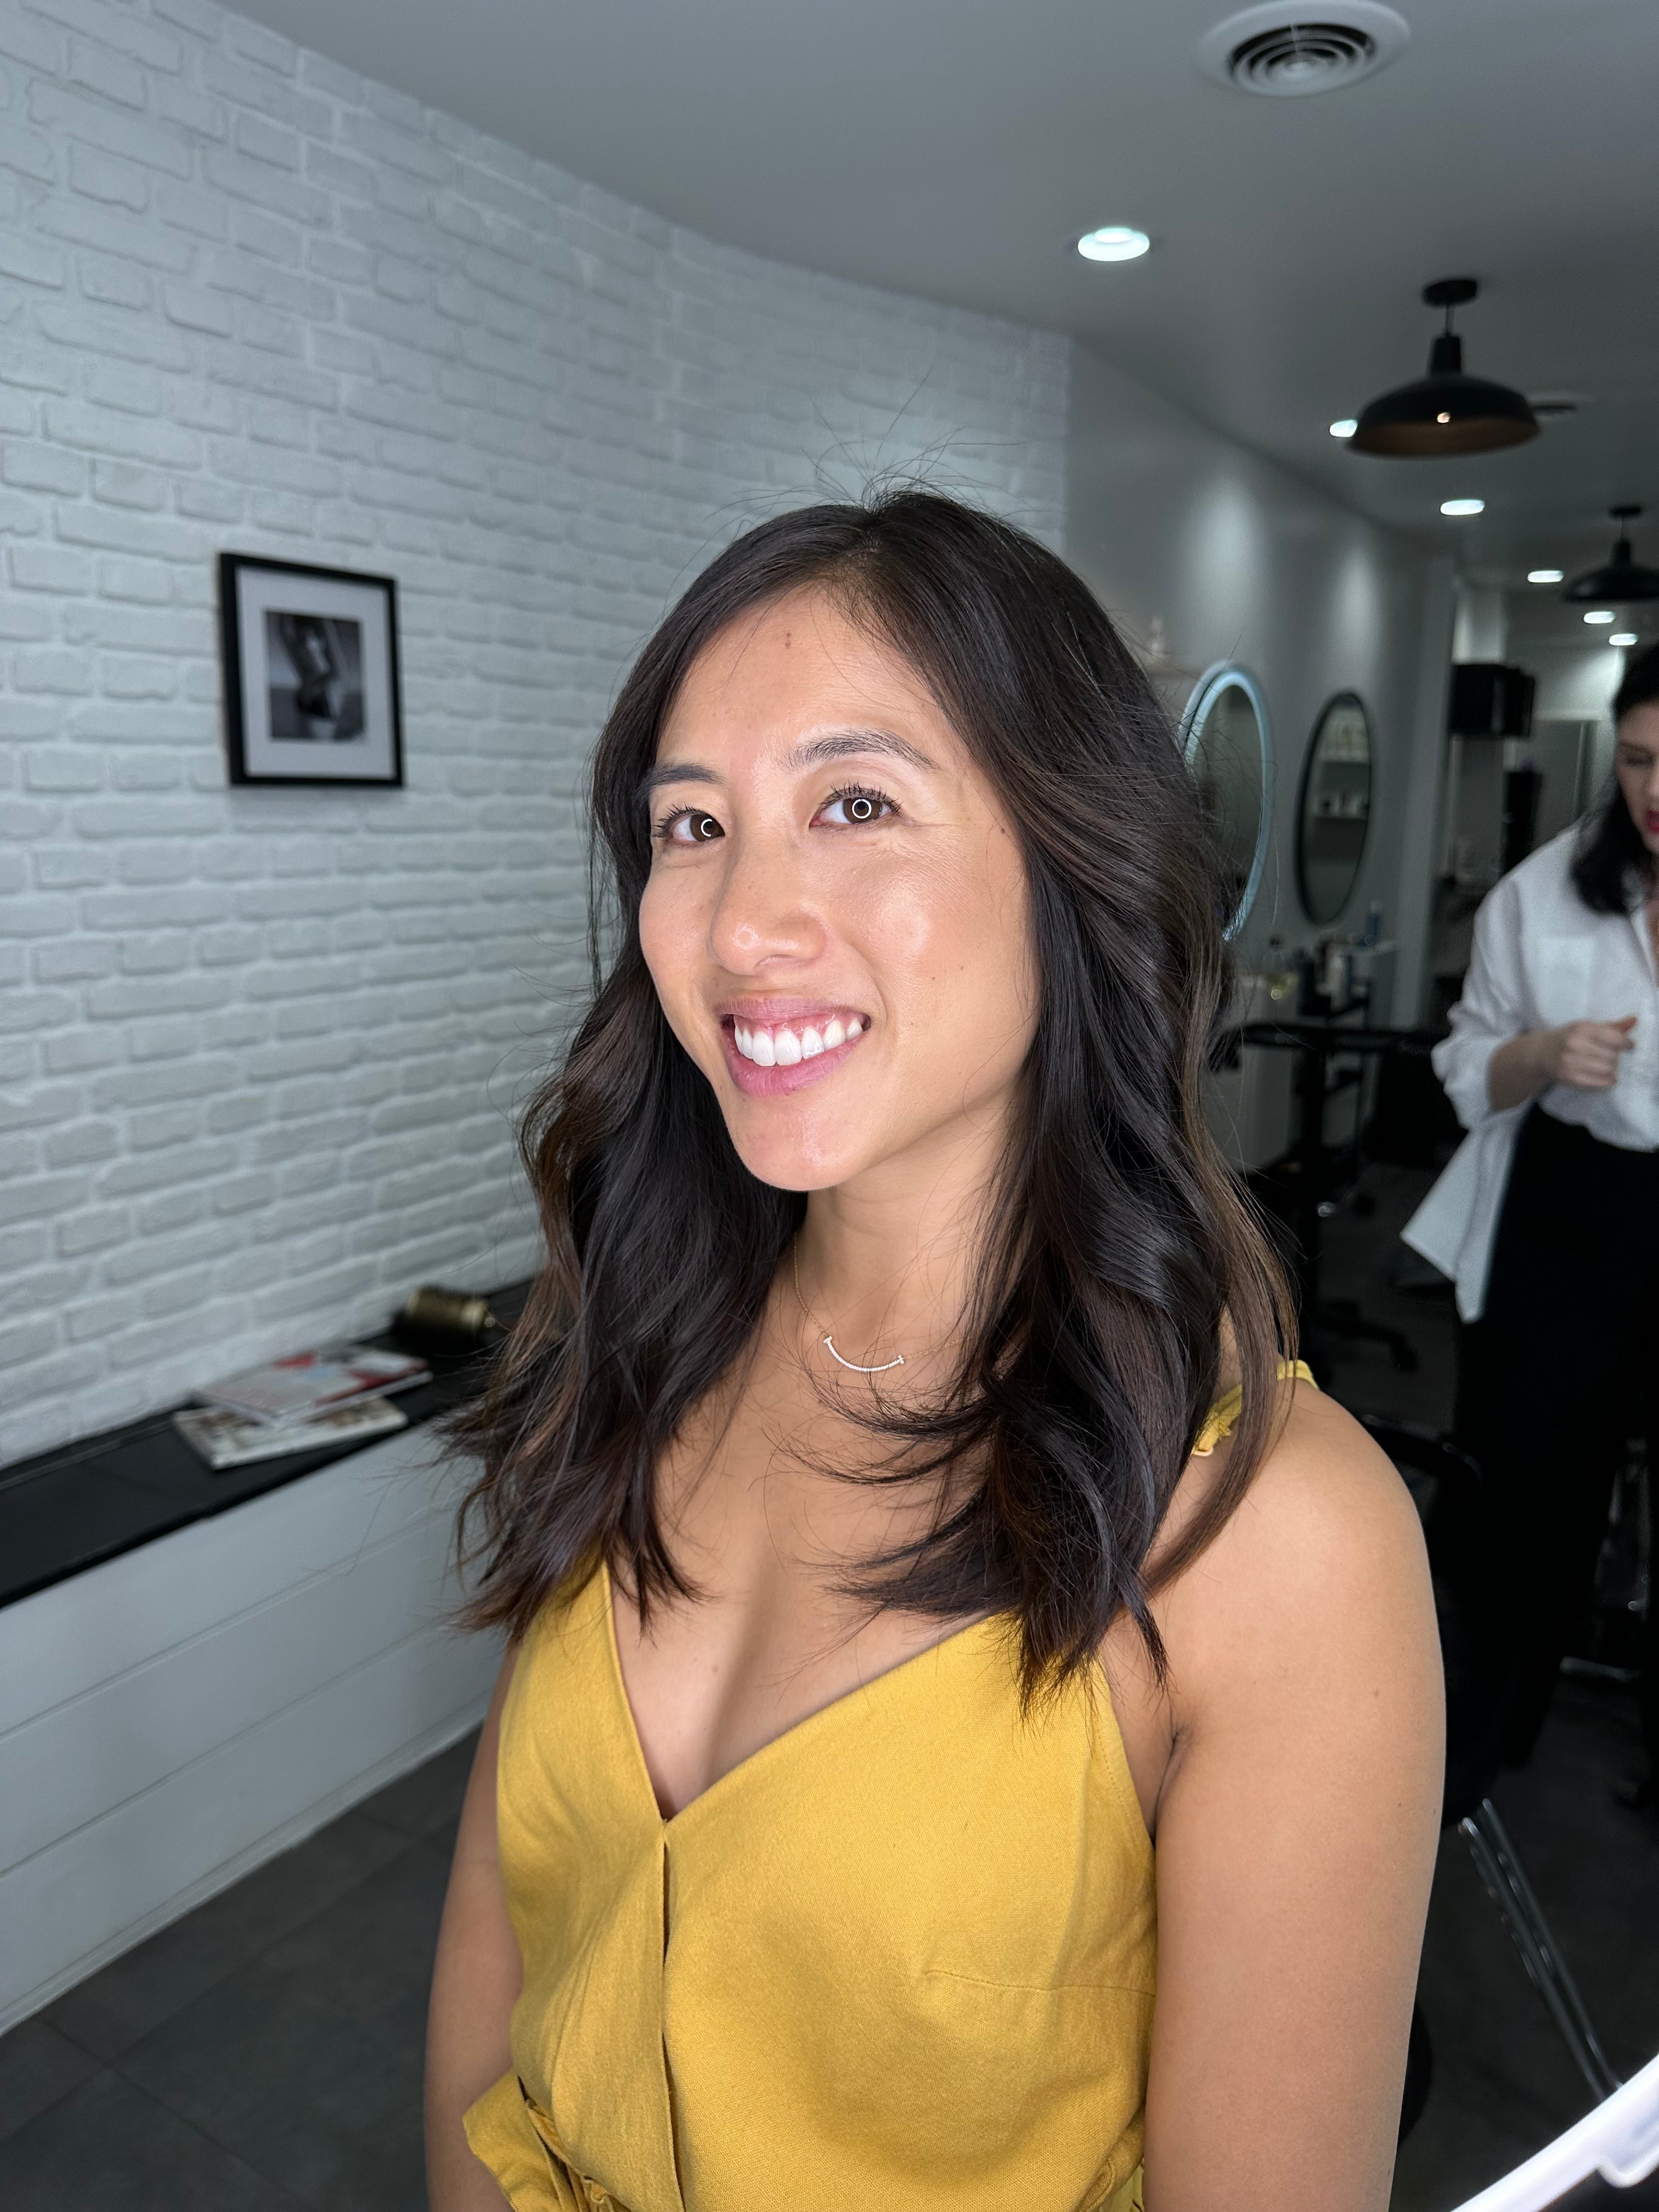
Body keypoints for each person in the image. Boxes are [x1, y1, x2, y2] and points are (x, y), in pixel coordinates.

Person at [424, 492, 1442, 2212]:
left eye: (856, 804)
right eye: (693, 825)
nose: (743, 926)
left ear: (1073, 864)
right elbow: (499, 1959)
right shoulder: (643, 1343)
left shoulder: (1276, 1543)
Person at [1405, 641, 1659, 1774]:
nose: (1655, 791)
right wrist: (1546, 1054)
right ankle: (1481, 1734)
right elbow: (1466, 1067)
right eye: (1639, 760)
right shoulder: (1544, 892)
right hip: (1570, 1206)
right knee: (1523, 1488)